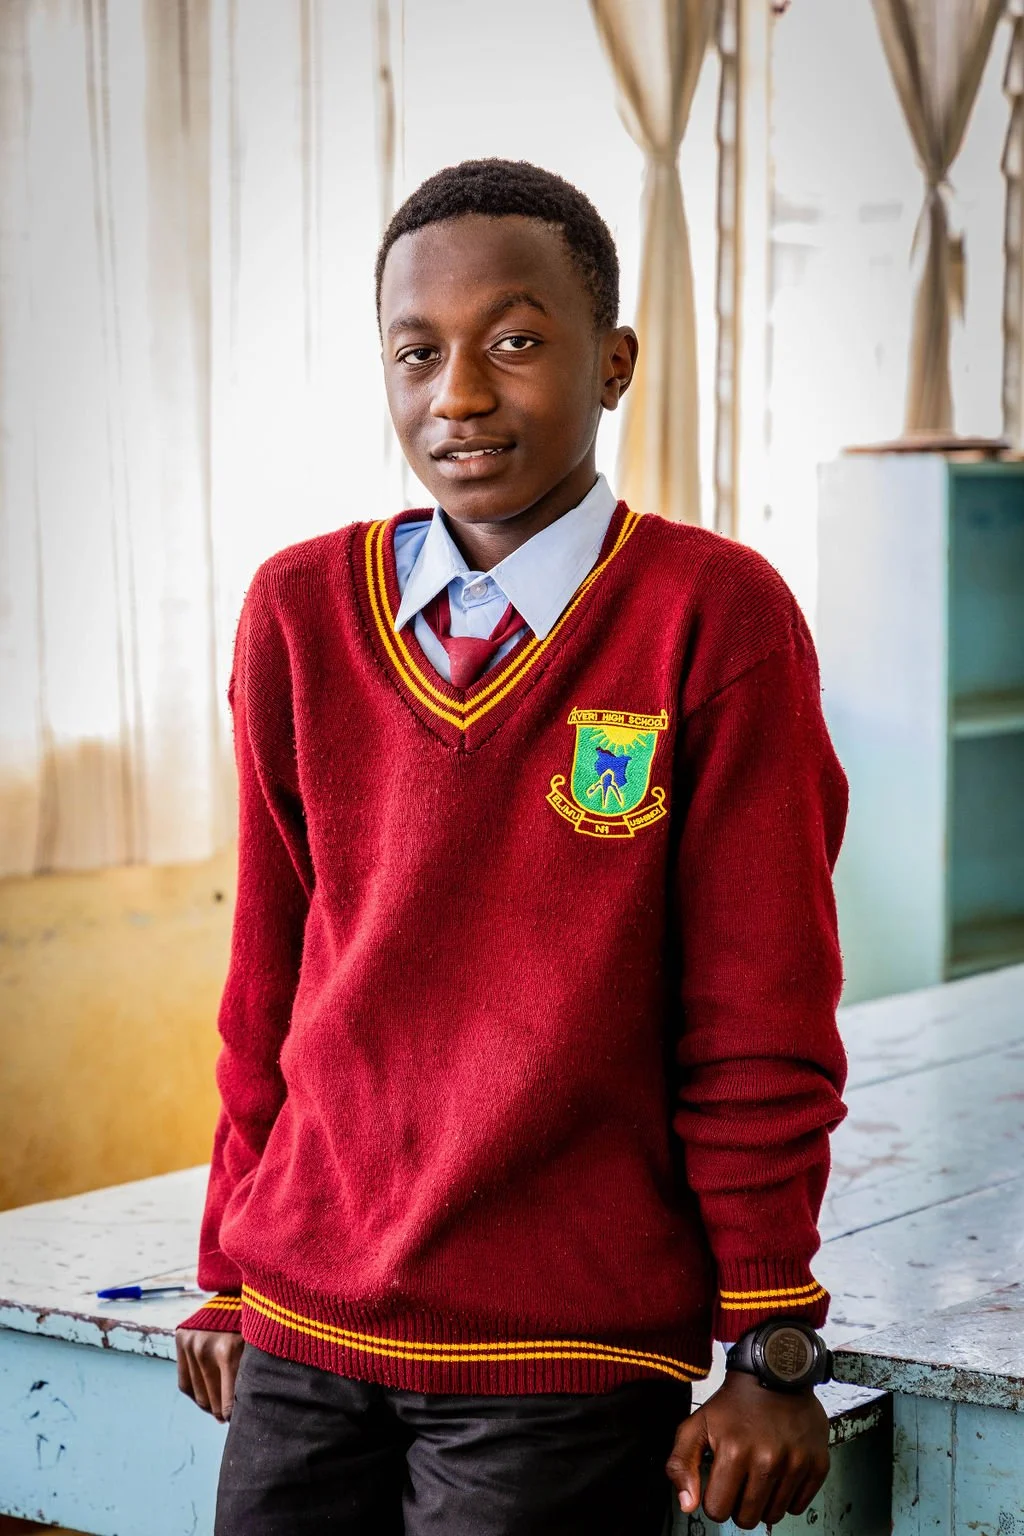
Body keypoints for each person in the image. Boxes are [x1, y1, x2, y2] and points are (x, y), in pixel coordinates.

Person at [176, 158, 849, 1536]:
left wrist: (771, 1339)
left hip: (565, 1347)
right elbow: (269, 980)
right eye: (417, 352)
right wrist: (230, 1269)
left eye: (517, 342)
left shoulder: (711, 618)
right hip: (307, 1322)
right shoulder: (297, 610)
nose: (460, 395)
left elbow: (759, 1009)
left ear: (613, 364)